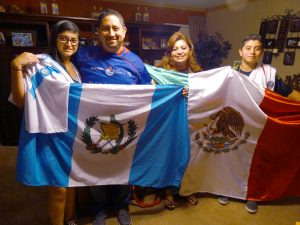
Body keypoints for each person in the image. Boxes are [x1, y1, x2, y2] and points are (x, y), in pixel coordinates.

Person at [73, 9, 152, 225]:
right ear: (97, 31)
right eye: (105, 28)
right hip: (90, 128)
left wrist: (174, 94)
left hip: (125, 129)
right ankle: (99, 208)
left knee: (122, 168)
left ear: (124, 32)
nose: (111, 33)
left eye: (115, 28)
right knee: (94, 167)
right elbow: (61, 73)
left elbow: (149, 94)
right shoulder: (81, 55)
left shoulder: (135, 62)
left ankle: (121, 205)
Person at [218, 33, 300, 214]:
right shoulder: (230, 74)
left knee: (255, 162)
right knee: (232, 157)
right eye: (248, 48)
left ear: (261, 52)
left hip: (260, 125)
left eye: (257, 48)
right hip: (236, 123)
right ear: (240, 52)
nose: (252, 52)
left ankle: (253, 195)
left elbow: (287, 92)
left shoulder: (268, 73)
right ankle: (226, 189)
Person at [10, 20, 81, 225]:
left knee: (72, 183)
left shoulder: (76, 68)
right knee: (58, 188)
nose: (69, 43)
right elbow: (21, 101)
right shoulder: (40, 63)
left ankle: (71, 220)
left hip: (72, 134)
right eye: (64, 38)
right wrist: (15, 67)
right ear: (55, 39)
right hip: (51, 135)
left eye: (73, 40)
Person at [159, 31, 202, 210]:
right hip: (169, 122)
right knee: (171, 155)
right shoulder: (162, 74)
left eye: (183, 48)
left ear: (190, 50)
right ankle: (169, 191)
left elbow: (207, 95)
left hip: (192, 121)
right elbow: (155, 97)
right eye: (175, 49)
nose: (179, 52)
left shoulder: (199, 74)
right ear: (169, 53)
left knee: (190, 155)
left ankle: (186, 189)